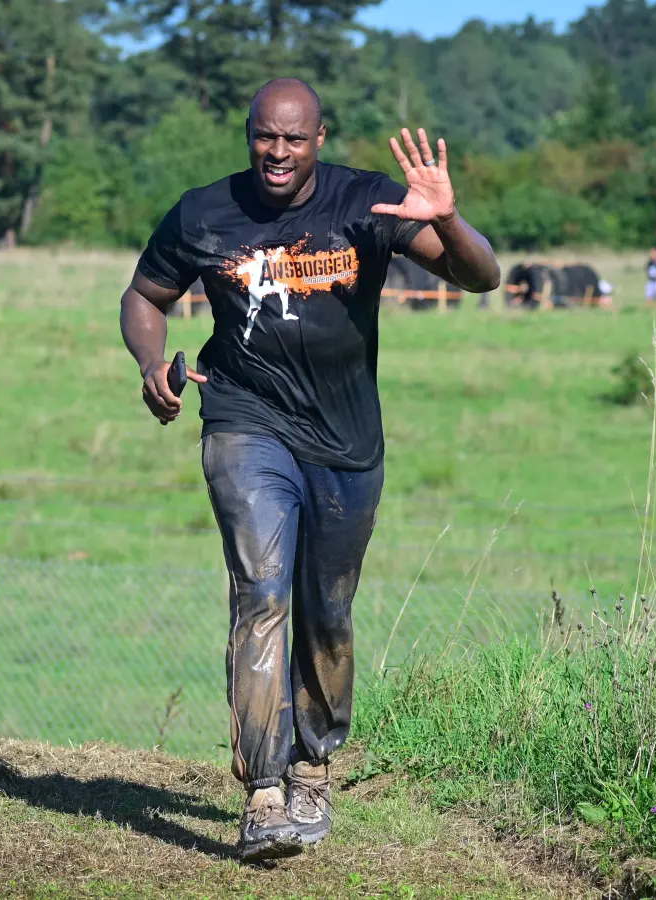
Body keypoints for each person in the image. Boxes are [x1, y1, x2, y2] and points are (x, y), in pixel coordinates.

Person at [118, 78, 499, 863]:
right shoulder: (203, 212)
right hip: (243, 420)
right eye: (265, 137)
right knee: (260, 592)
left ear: (320, 138)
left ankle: (313, 764)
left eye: (294, 140)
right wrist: (153, 362)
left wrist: (448, 219)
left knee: (327, 609)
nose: (277, 154)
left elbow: (481, 276)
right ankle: (261, 792)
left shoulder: (371, 203)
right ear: (248, 134)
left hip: (347, 442)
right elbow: (145, 294)